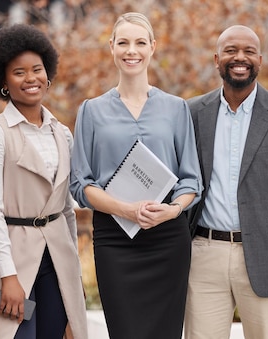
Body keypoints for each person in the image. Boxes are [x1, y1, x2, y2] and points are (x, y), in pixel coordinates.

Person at [69, 12, 202, 339]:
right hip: (115, 241)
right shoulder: (91, 110)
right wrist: (126, 210)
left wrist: (172, 210)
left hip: (167, 237)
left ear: (153, 47)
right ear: (111, 47)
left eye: (140, 42)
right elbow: (81, 184)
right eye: (124, 42)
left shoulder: (175, 108)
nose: (132, 50)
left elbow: (191, 180)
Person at [184, 25, 268, 339]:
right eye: (230, 51)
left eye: (248, 51)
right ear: (217, 59)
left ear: (260, 59)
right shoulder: (191, 113)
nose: (239, 58)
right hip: (203, 254)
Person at [0, 24, 88, 339]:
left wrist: (73, 275)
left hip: (56, 257)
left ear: (48, 74)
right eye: (19, 72)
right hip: (11, 255)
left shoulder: (62, 133)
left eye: (37, 69)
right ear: (4, 83)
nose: (31, 78)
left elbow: (65, 209)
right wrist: (7, 276)